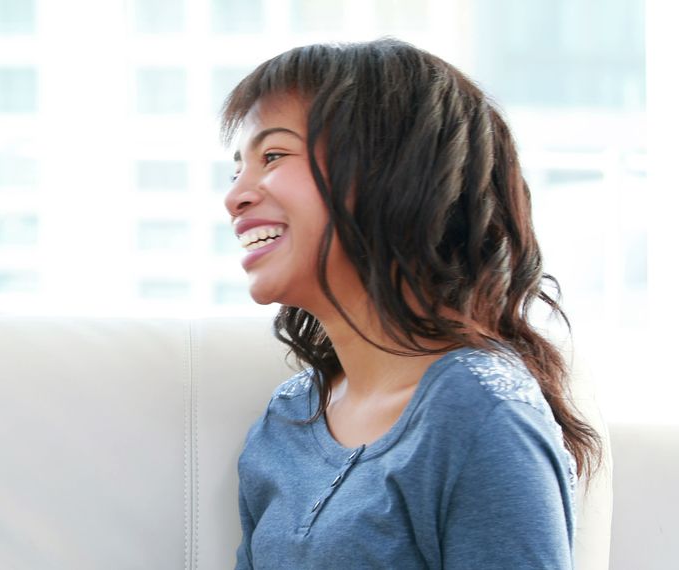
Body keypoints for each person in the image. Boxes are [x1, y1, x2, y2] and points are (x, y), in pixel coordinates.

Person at [221, 39, 602, 569]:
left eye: (274, 155)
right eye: (237, 168)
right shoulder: (288, 418)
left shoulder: (481, 413)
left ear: (390, 172)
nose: (235, 195)